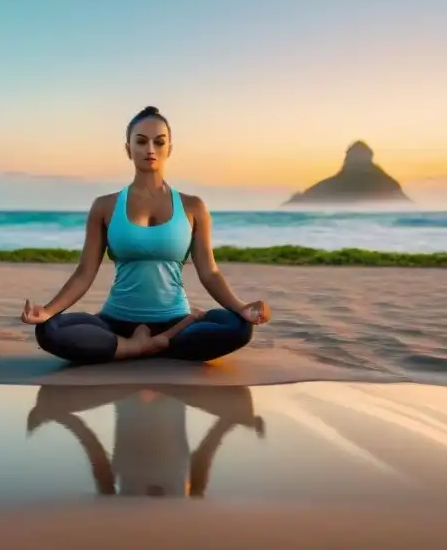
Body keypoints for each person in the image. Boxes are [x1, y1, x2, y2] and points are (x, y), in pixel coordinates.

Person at [19, 105, 270, 364]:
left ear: (169, 149)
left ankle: (157, 339)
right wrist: (48, 310)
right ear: (128, 149)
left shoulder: (193, 207)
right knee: (49, 330)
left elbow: (210, 272)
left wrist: (241, 307)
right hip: (115, 323)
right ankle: (139, 346)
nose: (150, 149)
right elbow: (85, 272)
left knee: (239, 327)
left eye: (159, 142)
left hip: (174, 318)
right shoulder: (105, 206)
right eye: (141, 141)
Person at [26, 384, 266, 497]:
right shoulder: (183, 498)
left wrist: (59, 416)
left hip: (138, 389)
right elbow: (203, 461)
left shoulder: (119, 495)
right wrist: (233, 420)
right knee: (239, 401)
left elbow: (96, 455)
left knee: (50, 397)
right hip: (159, 389)